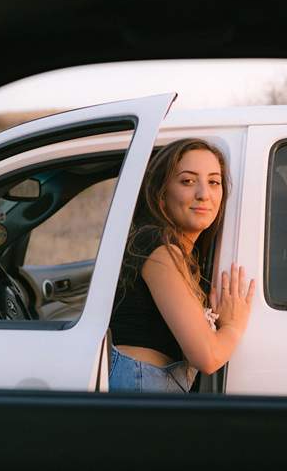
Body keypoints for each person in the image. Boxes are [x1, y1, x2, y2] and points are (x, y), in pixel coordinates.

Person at [109, 138, 255, 392]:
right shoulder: (157, 247)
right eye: (188, 181)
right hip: (141, 385)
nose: (204, 194)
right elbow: (207, 357)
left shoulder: (179, 252)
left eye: (214, 182)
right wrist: (233, 326)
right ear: (161, 193)